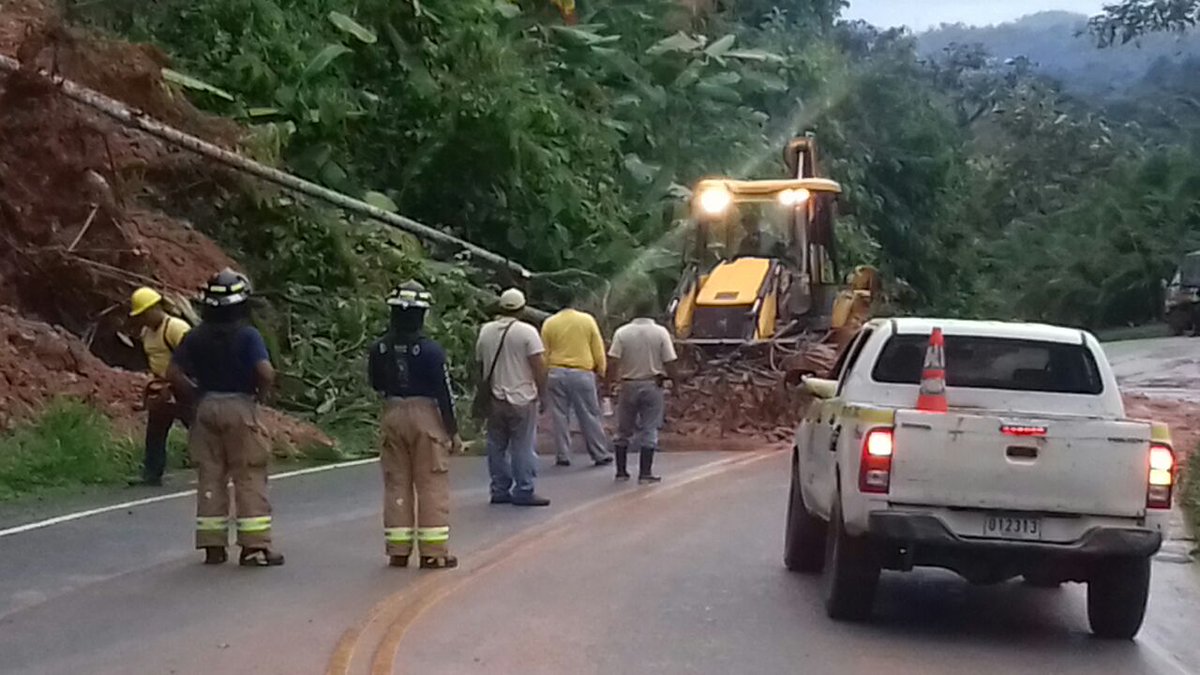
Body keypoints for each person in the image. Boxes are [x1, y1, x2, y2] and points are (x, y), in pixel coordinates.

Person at [167, 269, 284, 567]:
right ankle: (254, 547)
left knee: (210, 475)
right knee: (249, 474)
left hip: (205, 407)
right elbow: (265, 372)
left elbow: (173, 373)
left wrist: (194, 395)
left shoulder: (195, 336)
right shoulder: (248, 335)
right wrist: (261, 394)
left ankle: (213, 546)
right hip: (239, 406)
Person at [368, 281, 463, 569]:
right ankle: (433, 552)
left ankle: (398, 550)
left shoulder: (379, 347)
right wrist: (453, 431)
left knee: (397, 483)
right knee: (431, 483)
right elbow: (443, 392)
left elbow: (375, 382)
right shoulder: (431, 351)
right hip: (426, 415)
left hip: (392, 413)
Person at [475, 288, 550, 507]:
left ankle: (499, 489)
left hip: (495, 398)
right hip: (522, 397)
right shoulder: (527, 332)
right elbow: (538, 366)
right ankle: (524, 489)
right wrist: (543, 395)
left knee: (496, 445)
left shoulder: (485, 331)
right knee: (522, 446)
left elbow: (479, 366)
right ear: (522, 309)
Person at [608, 296, 679, 484]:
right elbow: (670, 361)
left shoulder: (622, 333)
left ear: (633, 312)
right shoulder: (660, 332)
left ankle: (621, 472)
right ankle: (645, 473)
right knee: (650, 428)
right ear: (653, 313)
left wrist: (609, 384)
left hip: (628, 384)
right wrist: (676, 383)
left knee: (623, 429)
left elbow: (613, 361)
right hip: (652, 385)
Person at [128, 287, 193, 487]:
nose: (143, 319)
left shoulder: (175, 328)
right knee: (155, 430)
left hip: (184, 384)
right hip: (163, 387)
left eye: (145, 313)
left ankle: (220, 466)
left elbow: (194, 355)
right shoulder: (146, 333)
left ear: (156, 308)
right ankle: (152, 473)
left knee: (197, 426)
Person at [540, 303, 612, 468]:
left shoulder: (550, 323)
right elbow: (598, 348)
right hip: (582, 372)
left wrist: (544, 376)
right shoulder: (587, 320)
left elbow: (544, 352)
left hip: (556, 372)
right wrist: (601, 370)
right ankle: (599, 453)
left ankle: (563, 455)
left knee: (559, 416)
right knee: (589, 414)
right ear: (574, 304)